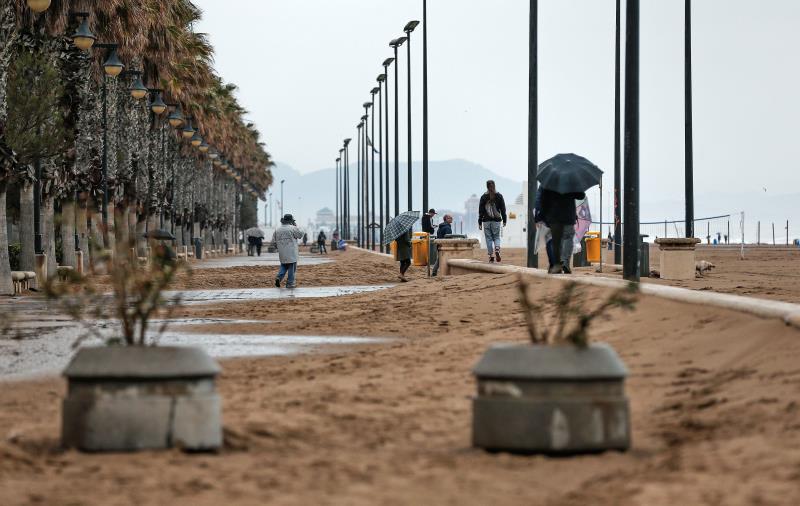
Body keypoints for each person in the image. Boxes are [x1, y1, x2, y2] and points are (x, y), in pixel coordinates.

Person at [540, 188, 586, 274]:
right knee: (568, 238)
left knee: (557, 240)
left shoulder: (550, 182)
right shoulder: (570, 181)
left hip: (554, 216)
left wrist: (543, 216)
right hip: (568, 215)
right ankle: (565, 262)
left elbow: (543, 200)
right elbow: (581, 195)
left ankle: (557, 263)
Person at [271, 214, 304, 288]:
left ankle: (279, 277)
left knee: (284, 265)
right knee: (291, 268)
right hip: (292, 252)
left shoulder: (277, 229)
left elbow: (273, 241)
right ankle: (290, 283)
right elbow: (300, 235)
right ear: (291, 221)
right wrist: (296, 226)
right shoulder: (292, 228)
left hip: (282, 252)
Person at [478, 180, 507, 263]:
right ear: (494, 185)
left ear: (486, 186)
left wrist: (479, 222)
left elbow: (481, 211)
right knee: (496, 237)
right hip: (496, 221)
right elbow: (503, 209)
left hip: (486, 221)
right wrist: (504, 220)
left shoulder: (483, 197)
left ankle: (491, 256)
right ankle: (497, 249)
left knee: (489, 239)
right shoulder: (499, 196)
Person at [533, 186, 555, 268]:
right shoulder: (562, 181)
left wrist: (537, 218)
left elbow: (538, 200)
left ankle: (553, 264)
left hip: (547, 216)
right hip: (560, 215)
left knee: (549, 240)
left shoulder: (544, 183)